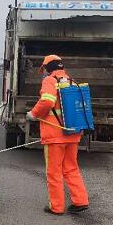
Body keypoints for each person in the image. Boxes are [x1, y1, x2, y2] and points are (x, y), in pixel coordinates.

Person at [27, 55, 89, 215]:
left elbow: (47, 101)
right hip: (72, 133)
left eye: (44, 69)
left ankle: (56, 207)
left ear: (48, 68)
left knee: (54, 171)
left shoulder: (50, 81)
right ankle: (80, 201)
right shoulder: (71, 81)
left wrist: (33, 114)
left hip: (55, 135)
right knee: (71, 168)